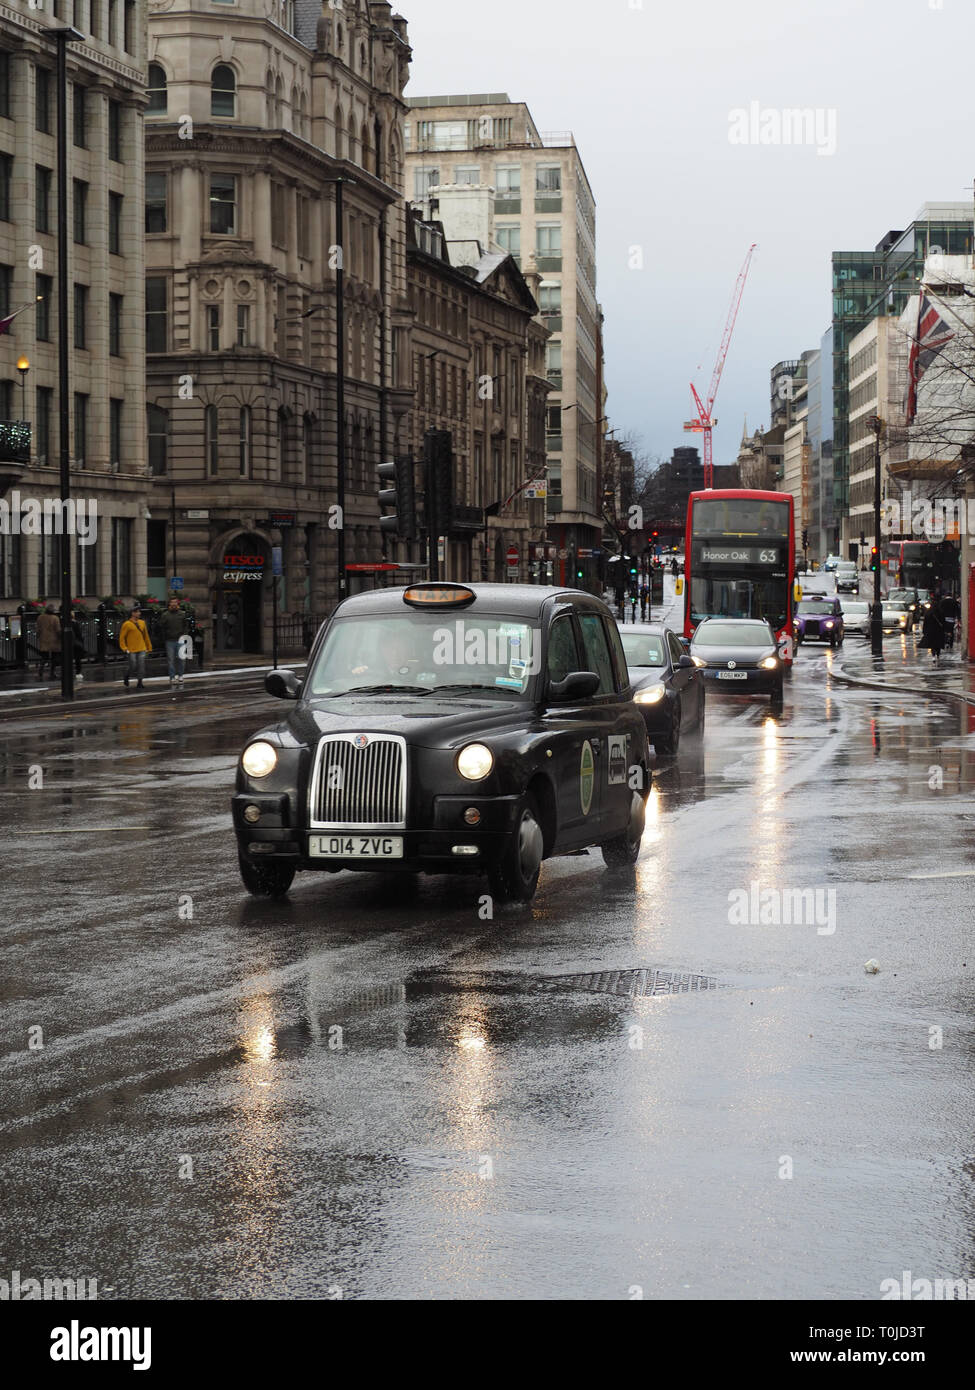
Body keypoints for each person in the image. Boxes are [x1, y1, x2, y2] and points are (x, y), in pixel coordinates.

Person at [159, 596, 190, 687]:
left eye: (175, 602)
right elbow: (161, 626)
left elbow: (186, 625)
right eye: (172, 602)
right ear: (169, 604)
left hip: (180, 639)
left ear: (177, 604)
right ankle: (172, 676)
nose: (173, 604)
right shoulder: (165, 615)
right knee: (171, 660)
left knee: (182, 659)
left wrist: (184, 635)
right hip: (169, 640)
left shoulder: (182, 614)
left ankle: (180, 675)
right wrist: (165, 636)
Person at [119, 606, 152, 688]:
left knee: (141, 665)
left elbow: (146, 636)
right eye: (137, 612)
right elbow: (122, 638)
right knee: (132, 665)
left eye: (139, 612)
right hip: (131, 649)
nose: (139, 613)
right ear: (132, 613)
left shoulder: (142, 622)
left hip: (142, 648)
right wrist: (124, 648)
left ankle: (140, 682)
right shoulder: (126, 624)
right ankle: (127, 675)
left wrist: (149, 646)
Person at [35, 604, 60, 680]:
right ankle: (52, 672)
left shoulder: (40, 617)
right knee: (54, 658)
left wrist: (38, 636)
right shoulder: (55, 618)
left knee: (44, 657)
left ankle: (40, 671)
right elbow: (58, 630)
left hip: (44, 639)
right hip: (54, 640)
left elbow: (38, 629)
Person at [69, 610, 85, 680]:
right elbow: (79, 634)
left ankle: (69, 672)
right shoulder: (75, 623)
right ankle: (78, 673)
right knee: (77, 659)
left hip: (68, 643)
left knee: (68, 659)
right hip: (76, 643)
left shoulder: (64, 623)